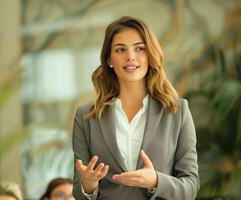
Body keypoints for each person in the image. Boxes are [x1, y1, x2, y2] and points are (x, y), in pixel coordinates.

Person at [72, 16, 199, 199]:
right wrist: (89, 184)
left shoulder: (177, 112)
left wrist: (156, 180)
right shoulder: (86, 116)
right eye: (120, 49)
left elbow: (191, 186)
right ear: (109, 59)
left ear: (150, 55)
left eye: (139, 48)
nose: (130, 56)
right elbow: (78, 192)